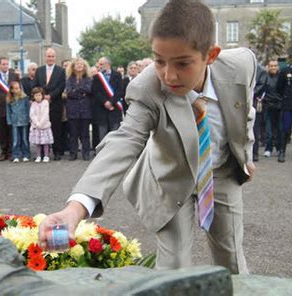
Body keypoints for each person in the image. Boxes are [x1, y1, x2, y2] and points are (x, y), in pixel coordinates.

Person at [38, 0, 255, 274]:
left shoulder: (242, 64)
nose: (168, 75)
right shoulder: (147, 88)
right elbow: (124, 140)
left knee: (232, 260)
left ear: (210, 55)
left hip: (221, 172)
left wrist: (245, 152)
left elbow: (245, 109)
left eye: (183, 63)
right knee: (172, 267)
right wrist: (75, 209)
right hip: (170, 179)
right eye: (159, 60)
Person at [35, 48, 66, 160]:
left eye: (52, 56)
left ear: (55, 58)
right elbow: (36, 85)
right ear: (45, 57)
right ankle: (43, 152)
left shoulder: (60, 71)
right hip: (41, 105)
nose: (50, 58)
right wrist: (43, 97)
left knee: (56, 128)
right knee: (42, 129)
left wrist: (51, 96)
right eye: (48, 56)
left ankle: (57, 151)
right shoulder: (39, 70)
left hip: (55, 103)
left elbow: (61, 86)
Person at [65, 58, 93, 161]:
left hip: (85, 109)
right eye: (77, 64)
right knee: (73, 134)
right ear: (73, 66)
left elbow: (89, 89)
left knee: (85, 134)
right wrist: (81, 91)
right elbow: (69, 92)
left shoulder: (88, 78)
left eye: (81, 64)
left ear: (85, 66)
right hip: (72, 110)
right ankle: (73, 154)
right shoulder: (69, 79)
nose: (80, 66)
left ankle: (86, 154)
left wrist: (76, 90)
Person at [0, 57, 18, 161]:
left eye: (7, 64)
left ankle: (11, 152)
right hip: (1, 108)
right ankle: (4, 152)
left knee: (11, 131)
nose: (5, 66)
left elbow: (18, 90)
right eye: (3, 64)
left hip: (13, 108)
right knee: (2, 132)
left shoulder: (14, 76)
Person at [92, 56, 124, 140]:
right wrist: (105, 102)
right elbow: (96, 92)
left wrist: (111, 102)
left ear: (108, 64)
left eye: (101, 64)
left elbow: (119, 91)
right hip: (101, 109)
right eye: (99, 64)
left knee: (115, 135)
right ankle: (102, 152)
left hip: (115, 109)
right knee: (102, 135)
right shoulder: (97, 77)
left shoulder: (117, 75)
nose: (100, 66)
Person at [6, 81, 30, 163]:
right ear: (11, 90)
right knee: (16, 140)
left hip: (24, 120)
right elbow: (8, 111)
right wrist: (9, 121)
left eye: (18, 88)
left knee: (24, 139)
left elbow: (28, 109)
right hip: (14, 121)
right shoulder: (9, 99)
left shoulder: (25, 98)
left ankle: (26, 154)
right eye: (15, 88)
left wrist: (28, 119)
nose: (17, 90)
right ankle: (16, 155)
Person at [263, 59, 283, 157]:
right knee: (268, 130)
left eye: (275, 65)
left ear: (278, 66)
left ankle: (279, 148)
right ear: (268, 67)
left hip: (280, 106)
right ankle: (268, 148)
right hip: (268, 106)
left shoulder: (281, 77)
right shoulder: (264, 77)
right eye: (271, 66)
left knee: (280, 129)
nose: (273, 67)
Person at [29, 87, 53, 163]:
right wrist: (36, 123)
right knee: (38, 143)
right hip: (36, 127)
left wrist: (41, 123)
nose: (38, 97)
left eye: (39, 95)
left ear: (42, 95)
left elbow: (45, 114)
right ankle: (38, 156)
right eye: (36, 95)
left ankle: (46, 156)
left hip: (44, 126)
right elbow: (32, 114)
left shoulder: (45, 103)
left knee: (45, 142)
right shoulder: (33, 104)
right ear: (33, 96)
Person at [252, 63, 267, 162]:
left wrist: (249, 92)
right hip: (239, 100)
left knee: (254, 129)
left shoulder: (260, 70)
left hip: (253, 100)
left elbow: (261, 85)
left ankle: (254, 153)